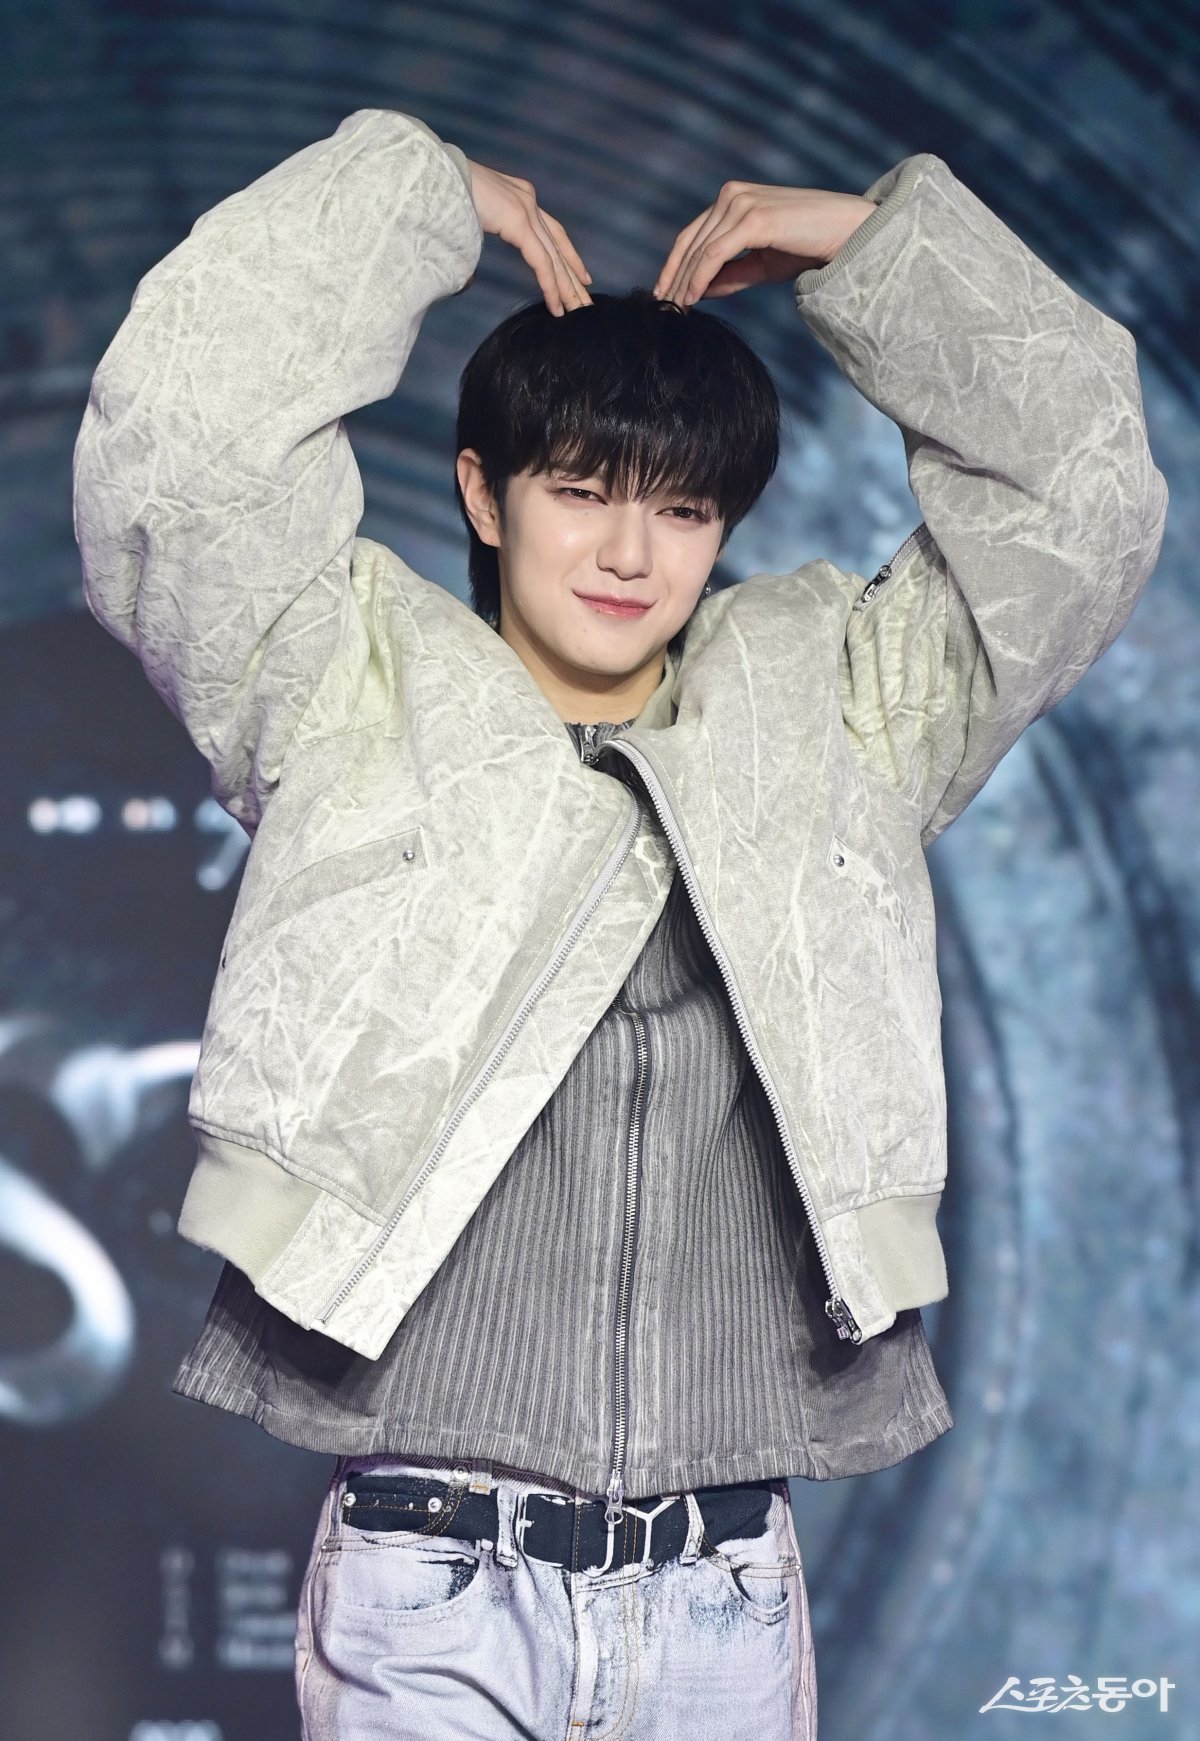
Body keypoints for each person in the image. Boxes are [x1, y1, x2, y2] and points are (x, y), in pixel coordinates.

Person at [72, 106, 1167, 1739]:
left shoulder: (844, 707)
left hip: (726, 1589)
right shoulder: (347, 682)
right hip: (429, 1575)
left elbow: (1080, 507)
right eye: (582, 491)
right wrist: (413, 191)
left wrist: (881, 249)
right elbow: (178, 452)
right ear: (484, 492)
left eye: (685, 508)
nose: (632, 551)